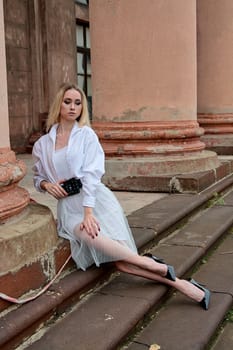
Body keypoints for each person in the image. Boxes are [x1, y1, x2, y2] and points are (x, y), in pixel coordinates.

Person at [32, 82, 211, 310]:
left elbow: (92, 174)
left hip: (95, 202)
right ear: (59, 104)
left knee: (122, 263)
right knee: (100, 245)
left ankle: (183, 286)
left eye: (78, 103)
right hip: (68, 207)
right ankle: (158, 267)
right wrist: (46, 184)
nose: (72, 107)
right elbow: (37, 177)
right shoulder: (42, 144)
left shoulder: (87, 136)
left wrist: (89, 213)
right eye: (67, 101)